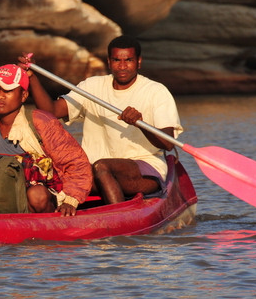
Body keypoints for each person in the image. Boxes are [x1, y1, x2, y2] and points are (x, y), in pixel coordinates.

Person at [19, 35, 183, 204]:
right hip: (93, 173)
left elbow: (168, 143)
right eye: (117, 60)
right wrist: (32, 77)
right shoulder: (92, 87)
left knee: (102, 167)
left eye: (129, 60)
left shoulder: (156, 91)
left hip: (144, 170)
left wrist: (140, 124)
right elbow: (51, 111)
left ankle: (120, 219)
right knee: (55, 175)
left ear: (139, 62)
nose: (122, 66)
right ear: (109, 62)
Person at [0, 64, 93, 216]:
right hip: (0, 193)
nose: (0, 95)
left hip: (39, 197)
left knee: (37, 196)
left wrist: (71, 200)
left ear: (23, 96)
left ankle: (47, 231)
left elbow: (77, 164)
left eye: (8, 90)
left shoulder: (41, 122)